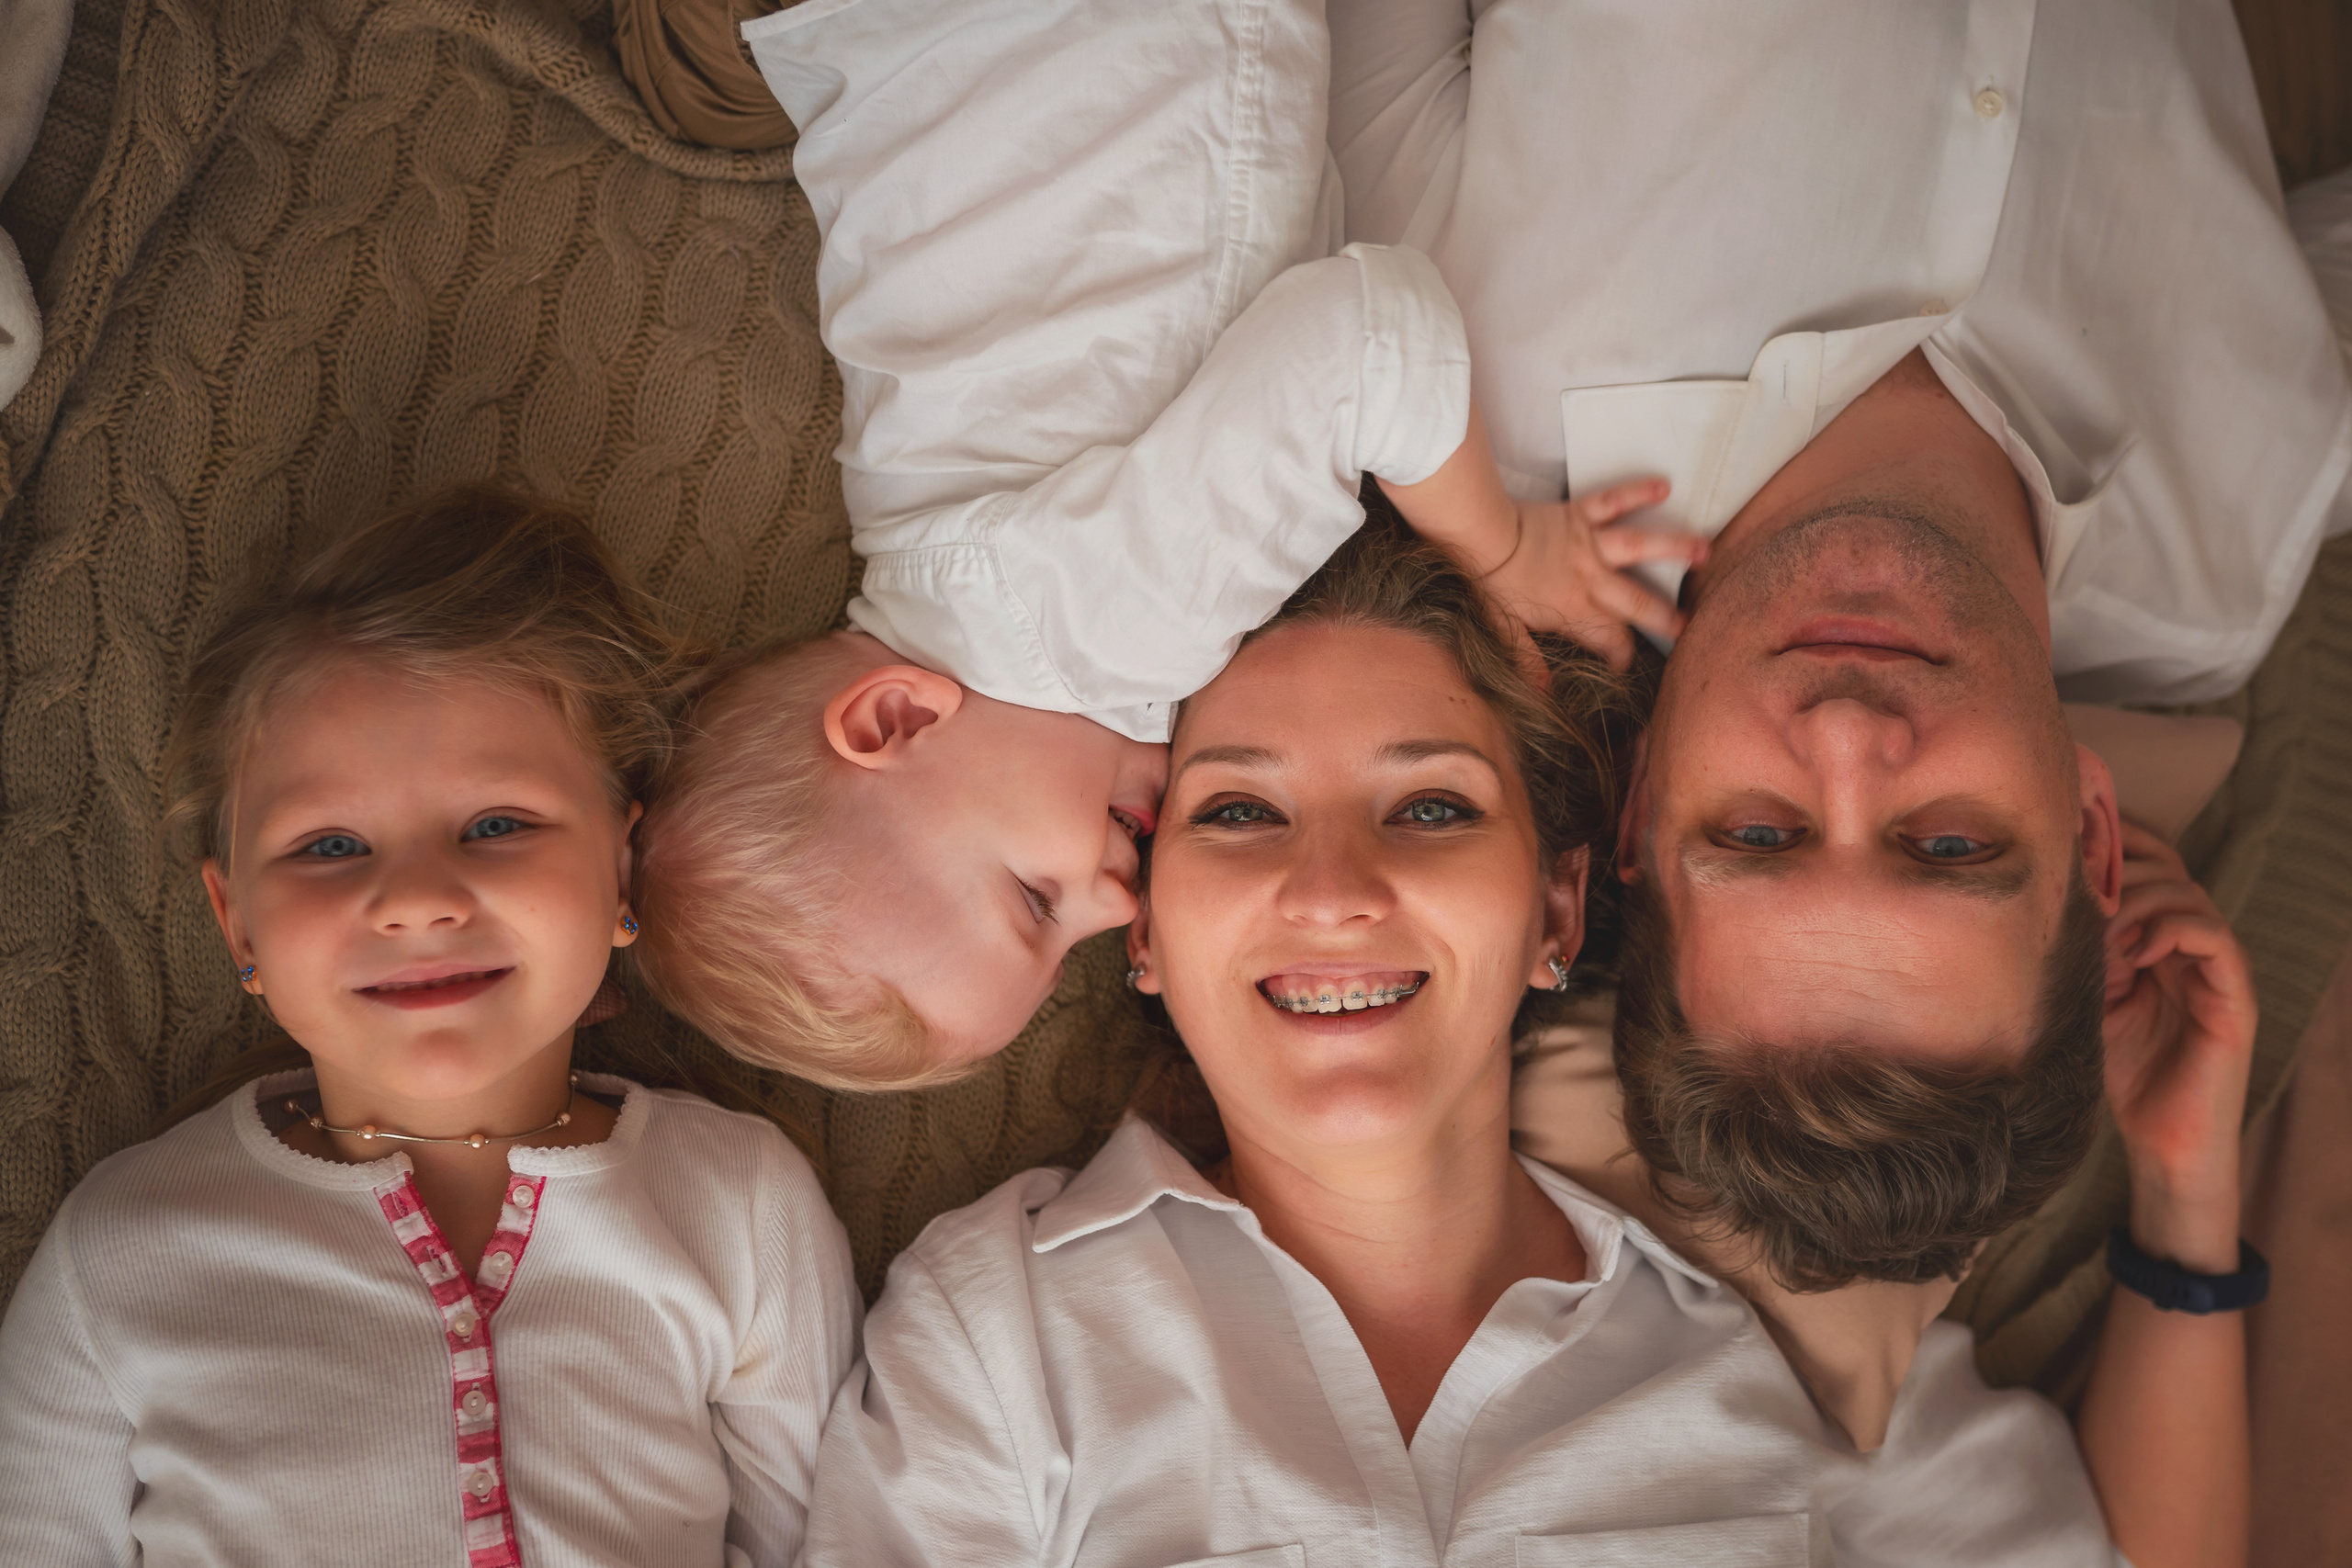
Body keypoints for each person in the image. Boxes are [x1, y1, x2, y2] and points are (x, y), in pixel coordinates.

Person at [798, 520, 2250, 1567]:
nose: (1332, 890)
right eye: (1238, 810)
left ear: (1559, 899)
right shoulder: (1006, 1331)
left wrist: (2189, 1183)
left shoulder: (1773, 1357)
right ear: (1149, 930)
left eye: (1431, 806)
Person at [1327, 0, 2345, 1296]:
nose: (1853, 737)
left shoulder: (1443, 372)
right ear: (2093, 834)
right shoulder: (2236, 541)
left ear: (1639, 804)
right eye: (1951, 842)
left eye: (1758, 833)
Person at [626, 0, 1702, 1089]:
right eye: (1079, 944)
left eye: (1033, 902)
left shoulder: (1108, 634)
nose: (1114, 900)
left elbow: (1374, 339)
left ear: (895, 715)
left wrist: (1504, 547)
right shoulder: (921, 531)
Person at [0, 491, 861, 1565]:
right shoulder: (123, 1247)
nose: (415, 899)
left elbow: (841, 1544)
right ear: (237, 924)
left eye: (496, 825)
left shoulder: (740, 1205)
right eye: (328, 846)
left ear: (619, 868)